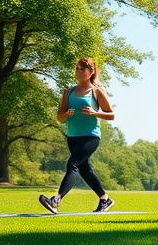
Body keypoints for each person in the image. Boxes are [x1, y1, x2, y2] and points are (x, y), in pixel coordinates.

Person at [39, 58, 116, 214]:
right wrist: (66, 115)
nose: (78, 71)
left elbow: (112, 115)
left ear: (91, 72)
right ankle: (104, 199)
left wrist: (95, 113)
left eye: (82, 69)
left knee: (72, 164)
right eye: (77, 68)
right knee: (84, 169)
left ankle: (56, 200)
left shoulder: (97, 91)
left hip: (91, 137)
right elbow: (59, 117)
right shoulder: (69, 91)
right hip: (72, 137)